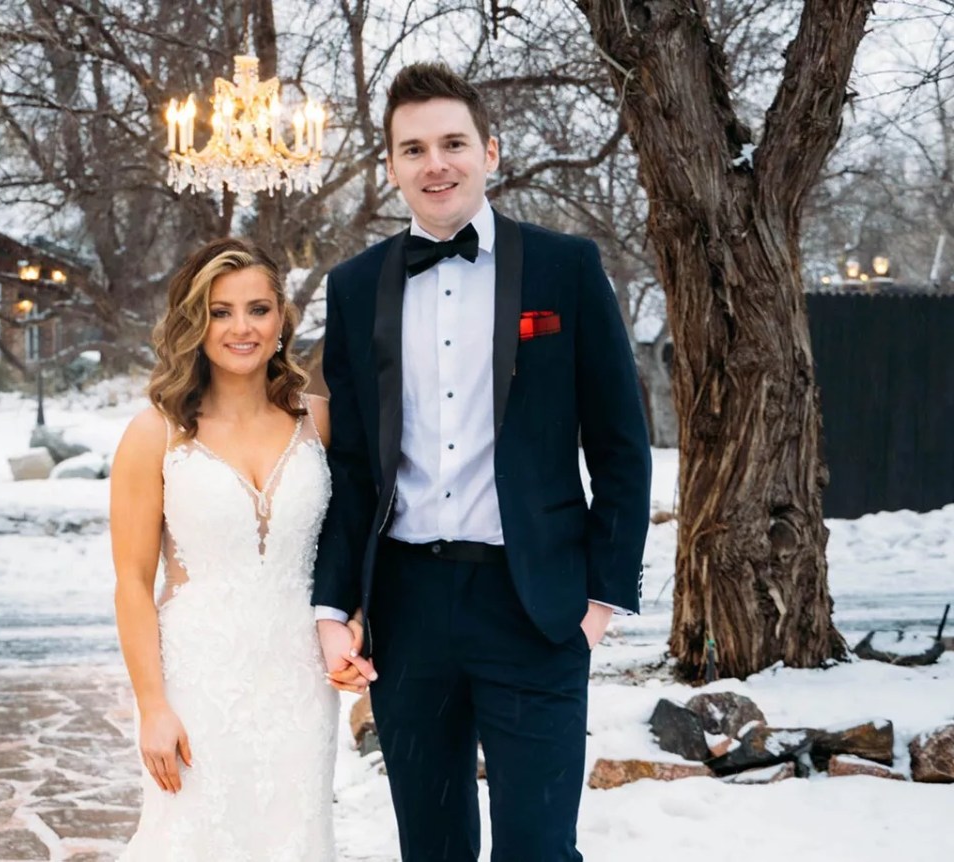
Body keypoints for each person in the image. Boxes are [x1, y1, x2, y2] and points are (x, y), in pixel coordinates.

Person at [314, 63, 652, 861]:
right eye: (414, 148)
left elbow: (619, 444)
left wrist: (599, 602)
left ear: (490, 151)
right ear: (390, 166)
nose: (437, 164)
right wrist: (335, 609)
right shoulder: (355, 288)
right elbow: (354, 466)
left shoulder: (565, 269)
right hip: (407, 607)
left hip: (534, 605)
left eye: (454, 143)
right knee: (432, 848)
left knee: (538, 847)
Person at [110, 237, 355, 860]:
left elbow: (353, 540)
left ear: (281, 320)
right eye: (221, 311)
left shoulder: (320, 421)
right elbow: (133, 583)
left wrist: (354, 623)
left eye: (258, 309)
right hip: (198, 682)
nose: (241, 328)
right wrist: (153, 707)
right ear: (195, 324)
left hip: (300, 683)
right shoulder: (153, 435)